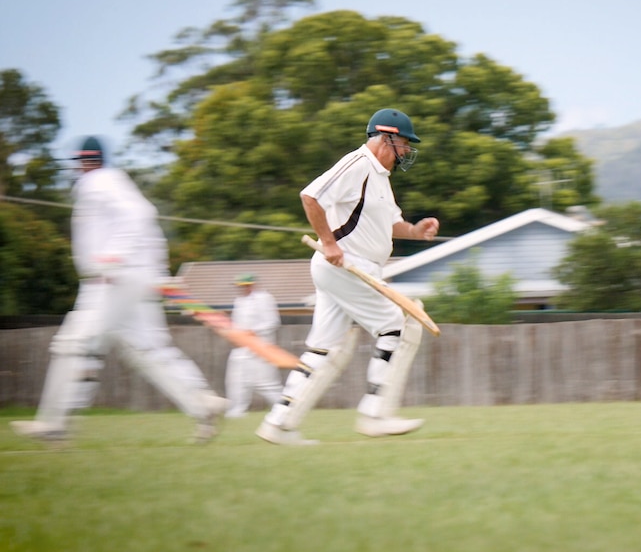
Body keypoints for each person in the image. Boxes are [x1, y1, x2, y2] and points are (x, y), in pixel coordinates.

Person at [11, 136, 228, 444]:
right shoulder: (114, 181)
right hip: (129, 279)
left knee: (74, 343)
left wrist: (116, 255)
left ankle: (54, 425)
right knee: (148, 350)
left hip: (112, 281)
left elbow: (140, 216)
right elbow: (148, 227)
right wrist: (158, 272)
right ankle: (201, 403)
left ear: (83, 163)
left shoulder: (98, 182)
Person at [256, 108, 440, 445]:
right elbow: (310, 196)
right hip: (347, 267)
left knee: (325, 349)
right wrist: (328, 242)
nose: (406, 152)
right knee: (399, 325)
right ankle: (376, 414)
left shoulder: (381, 178)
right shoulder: (357, 164)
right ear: (387, 138)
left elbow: (390, 225)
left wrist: (416, 229)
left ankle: (278, 423)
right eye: (404, 145)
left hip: (353, 270)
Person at [224, 273, 284, 418]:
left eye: (245, 286)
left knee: (267, 383)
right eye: (240, 287)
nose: (242, 289)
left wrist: (253, 331)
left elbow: (272, 322)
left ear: (252, 285)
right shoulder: (239, 301)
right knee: (236, 380)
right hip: (242, 348)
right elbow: (236, 323)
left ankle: (284, 409)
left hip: (262, 347)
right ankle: (236, 412)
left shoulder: (264, 298)